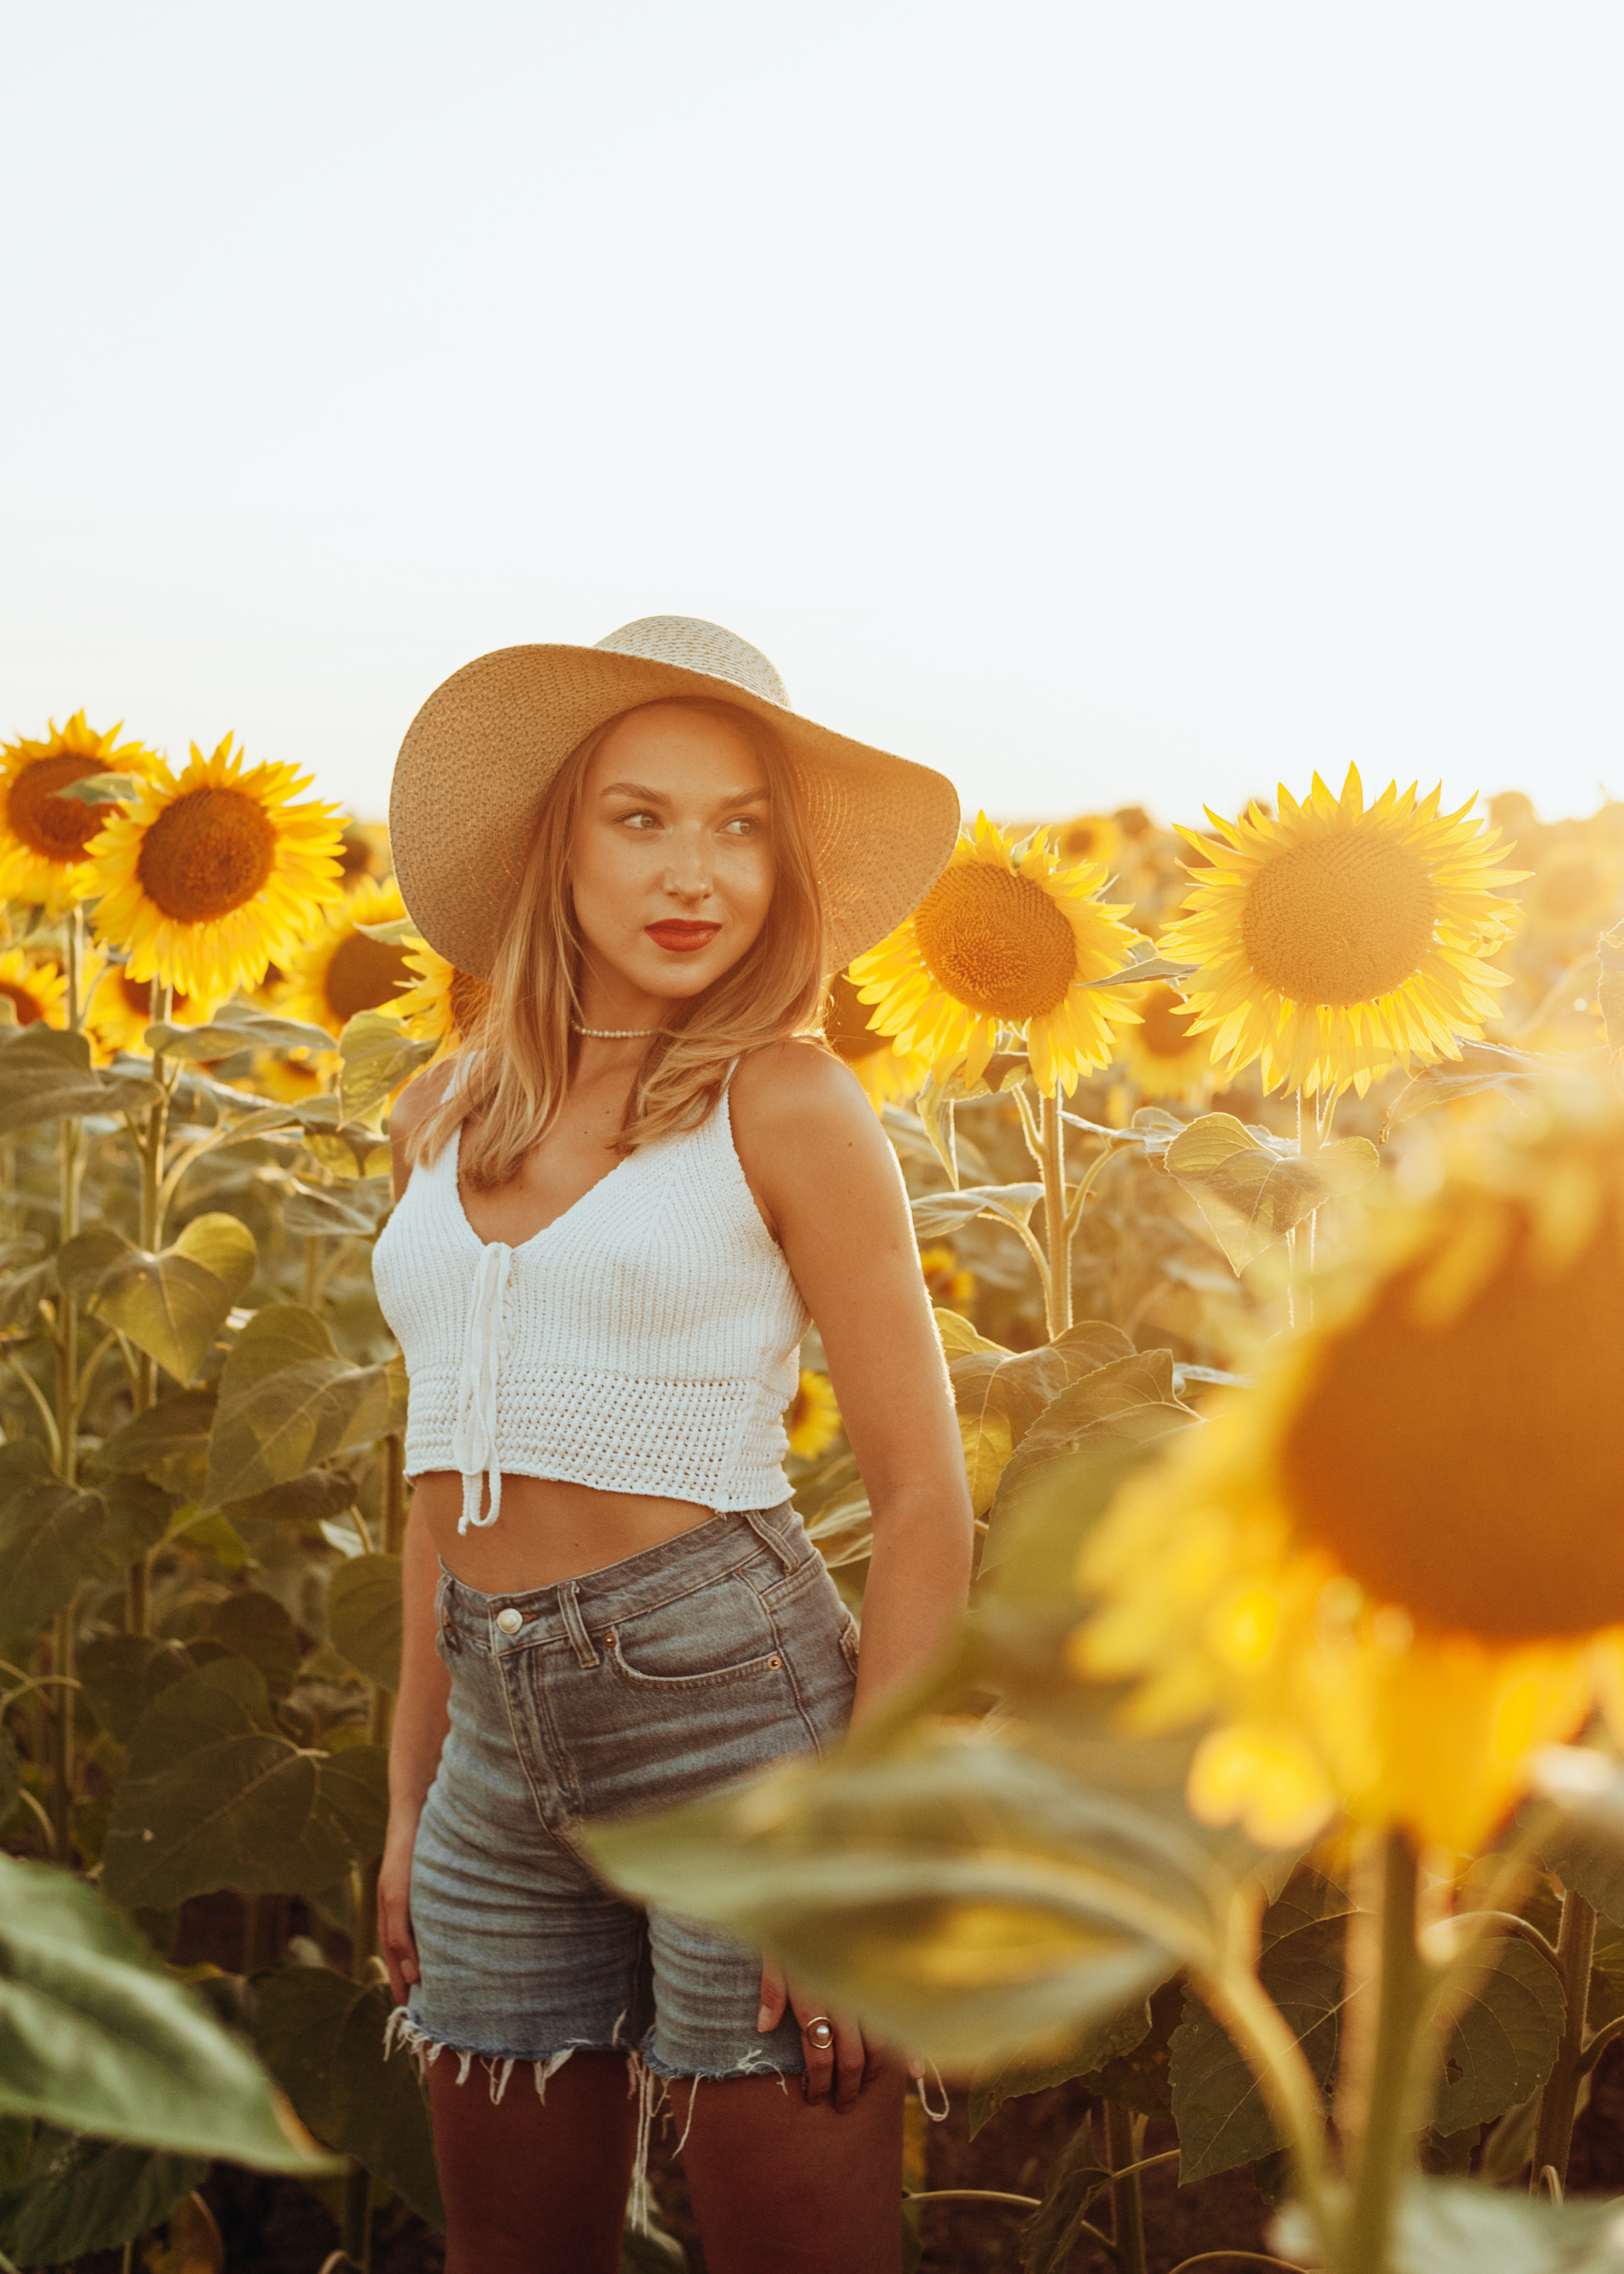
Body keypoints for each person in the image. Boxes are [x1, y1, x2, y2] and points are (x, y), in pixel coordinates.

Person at [371, 616, 973, 2274]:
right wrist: (408, 1794)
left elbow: (924, 1505)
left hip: (739, 1732)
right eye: (640, 818)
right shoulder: (443, 1109)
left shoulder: (787, 1105)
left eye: (740, 825)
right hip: (490, 1749)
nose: (693, 871)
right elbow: (439, 1471)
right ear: (552, 842)